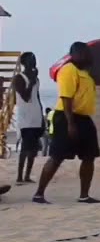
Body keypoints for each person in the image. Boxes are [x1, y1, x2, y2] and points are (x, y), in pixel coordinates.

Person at [33, 41, 100, 204]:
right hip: (67, 116)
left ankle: (84, 195)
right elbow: (66, 98)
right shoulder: (68, 70)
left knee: (89, 156)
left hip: (84, 117)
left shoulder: (85, 73)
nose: (87, 56)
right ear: (74, 55)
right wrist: (70, 123)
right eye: (84, 53)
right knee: (57, 156)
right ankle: (39, 194)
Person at [12, 52, 44, 184]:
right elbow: (25, 97)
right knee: (25, 148)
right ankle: (19, 176)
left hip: (36, 117)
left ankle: (27, 175)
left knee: (34, 149)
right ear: (24, 63)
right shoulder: (19, 78)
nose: (34, 61)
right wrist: (31, 81)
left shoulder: (36, 79)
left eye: (35, 58)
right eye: (32, 59)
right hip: (25, 119)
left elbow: (37, 98)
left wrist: (42, 117)